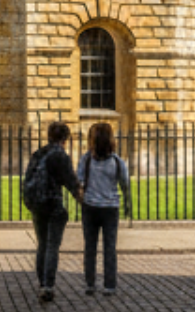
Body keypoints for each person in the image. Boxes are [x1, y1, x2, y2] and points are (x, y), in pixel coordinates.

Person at [25, 121, 83, 303]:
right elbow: (71, 183)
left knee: (42, 245)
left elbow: (27, 179)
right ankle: (48, 286)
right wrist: (84, 202)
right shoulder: (60, 155)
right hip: (53, 204)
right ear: (65, 139)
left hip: (36, 204)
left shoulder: (38, 154)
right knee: (52, 246)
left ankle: (42, 282)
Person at [77, 122, 132, 296]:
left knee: (90, 248)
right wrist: (128, 205)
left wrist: (81, 200)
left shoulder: (85, 159)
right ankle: (109, 285)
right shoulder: (117, 161)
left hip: (90, 207)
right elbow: (125, 184)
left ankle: (90, 284)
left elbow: (79, 182)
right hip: (110, 208)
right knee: (110, 248)